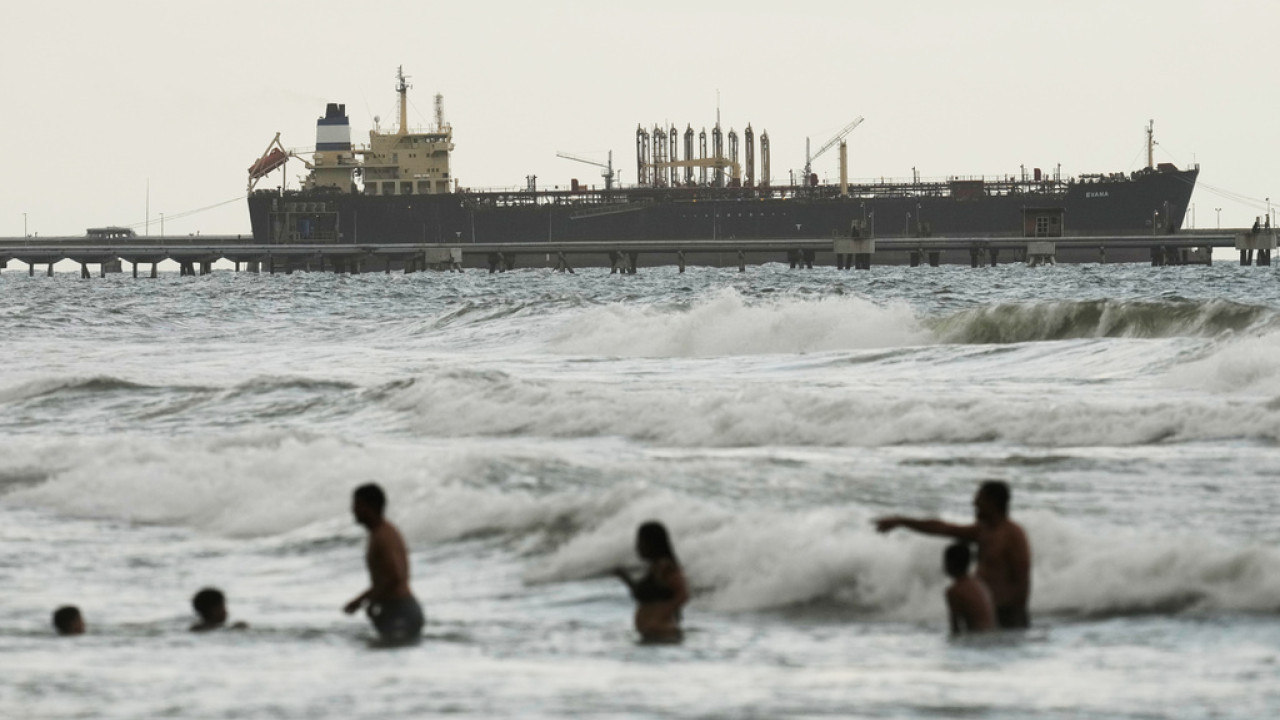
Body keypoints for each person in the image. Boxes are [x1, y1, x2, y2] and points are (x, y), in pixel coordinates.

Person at [876, 480, 1031, 628]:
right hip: (986, 613)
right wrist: (901, 521)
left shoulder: (1013, 535)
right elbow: (942, 528)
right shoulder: (983, 531)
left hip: (1009, 617)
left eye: (979, 499)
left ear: (992, 502)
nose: (974, 503)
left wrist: (1009, 617)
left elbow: (1022, 584)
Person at [344, 483, 424, 642]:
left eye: (357, 505)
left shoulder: (383, 536)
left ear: (371, 506)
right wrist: (365, 601)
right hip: (397, 609)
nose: (353, 510)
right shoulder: (381, 532)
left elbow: (395, 576)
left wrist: (365, 600)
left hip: (400, 610)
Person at [614, 521, 688, 642]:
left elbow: (683, 595)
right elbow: (644, 597)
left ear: (653, 544)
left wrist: (660, 615)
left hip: (663, 634)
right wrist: (626, 579)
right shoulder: (654, 568)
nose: (637, 547)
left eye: (641, 542)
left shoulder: (666, 567)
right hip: (651, 635)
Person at [943, 542, 996, 635]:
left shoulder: (954, 591)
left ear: (950, 563)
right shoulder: (978, 583)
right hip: (992, 634)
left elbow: (955, 629)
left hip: (976, 637)